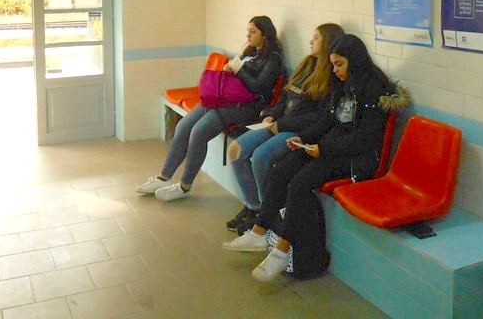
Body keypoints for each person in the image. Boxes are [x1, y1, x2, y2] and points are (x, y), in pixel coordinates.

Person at [222, 34, 396, 282]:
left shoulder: (374, 90)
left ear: (355, 61)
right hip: (333, 147)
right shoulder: (343, 84)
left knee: (300, 183)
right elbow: (328, 119)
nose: (335, 70)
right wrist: (303, 139)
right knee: (281, 169)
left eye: (339, 64)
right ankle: (259, 231)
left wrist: (322, 148)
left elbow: (364, 140)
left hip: (358, 159)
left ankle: (282, 251)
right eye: (333, 64)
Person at [136, 16, 284, 202]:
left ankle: (184, 186)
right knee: (183, 127)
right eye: (248, 30)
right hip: (224, 99)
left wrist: (238, 70)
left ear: (266, 35)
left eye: (253, 32)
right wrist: (230, 70)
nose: (248, 35)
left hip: (246, 107)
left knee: (198, 132)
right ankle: (163, 178)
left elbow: (259, 87)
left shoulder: (273, 59)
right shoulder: (250, 51)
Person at [224, 23, 345, 234]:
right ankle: (254, 208)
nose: (310, 41)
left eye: (316, 38)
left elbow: (320, 117)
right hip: (279, 122)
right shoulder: (307, 64)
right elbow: (287, 95)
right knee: (236, 150)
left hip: (298, 130)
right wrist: (272, 113)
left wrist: (282, 124)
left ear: (328, 42)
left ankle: (267, 217)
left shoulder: (332, 76)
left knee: (260, 157)